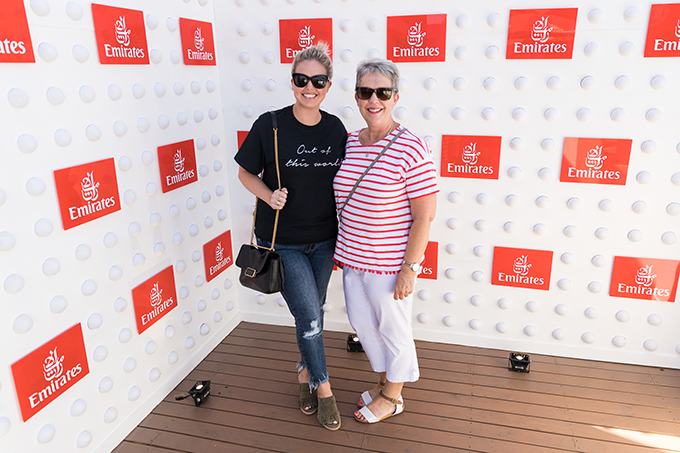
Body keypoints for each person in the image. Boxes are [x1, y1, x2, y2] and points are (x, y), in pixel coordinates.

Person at [234, 43, 347, 431]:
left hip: (325, 241)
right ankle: (324, 387)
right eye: (302, 80)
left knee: (310, 313)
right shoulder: (271, 125)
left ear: (328, 85)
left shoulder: (336, 129)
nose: (309, 87)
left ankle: (303, 371)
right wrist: (269, 194)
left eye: (318, 81)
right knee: (311, 316)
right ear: (293, 82)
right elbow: (245, 173)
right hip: (283, 242)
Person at [333, 59, 438, 424]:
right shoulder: (348, 143)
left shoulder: (411, 147)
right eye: (365, 92)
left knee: (393, 329)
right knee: (365, 327)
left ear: (395, 96)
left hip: (390, 264)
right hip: (351, 259)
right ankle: (383, 384)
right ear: (357, 96)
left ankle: (393, 397)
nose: (373, 99)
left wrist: (410, 268)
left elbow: (424, 215)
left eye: (382, 92)